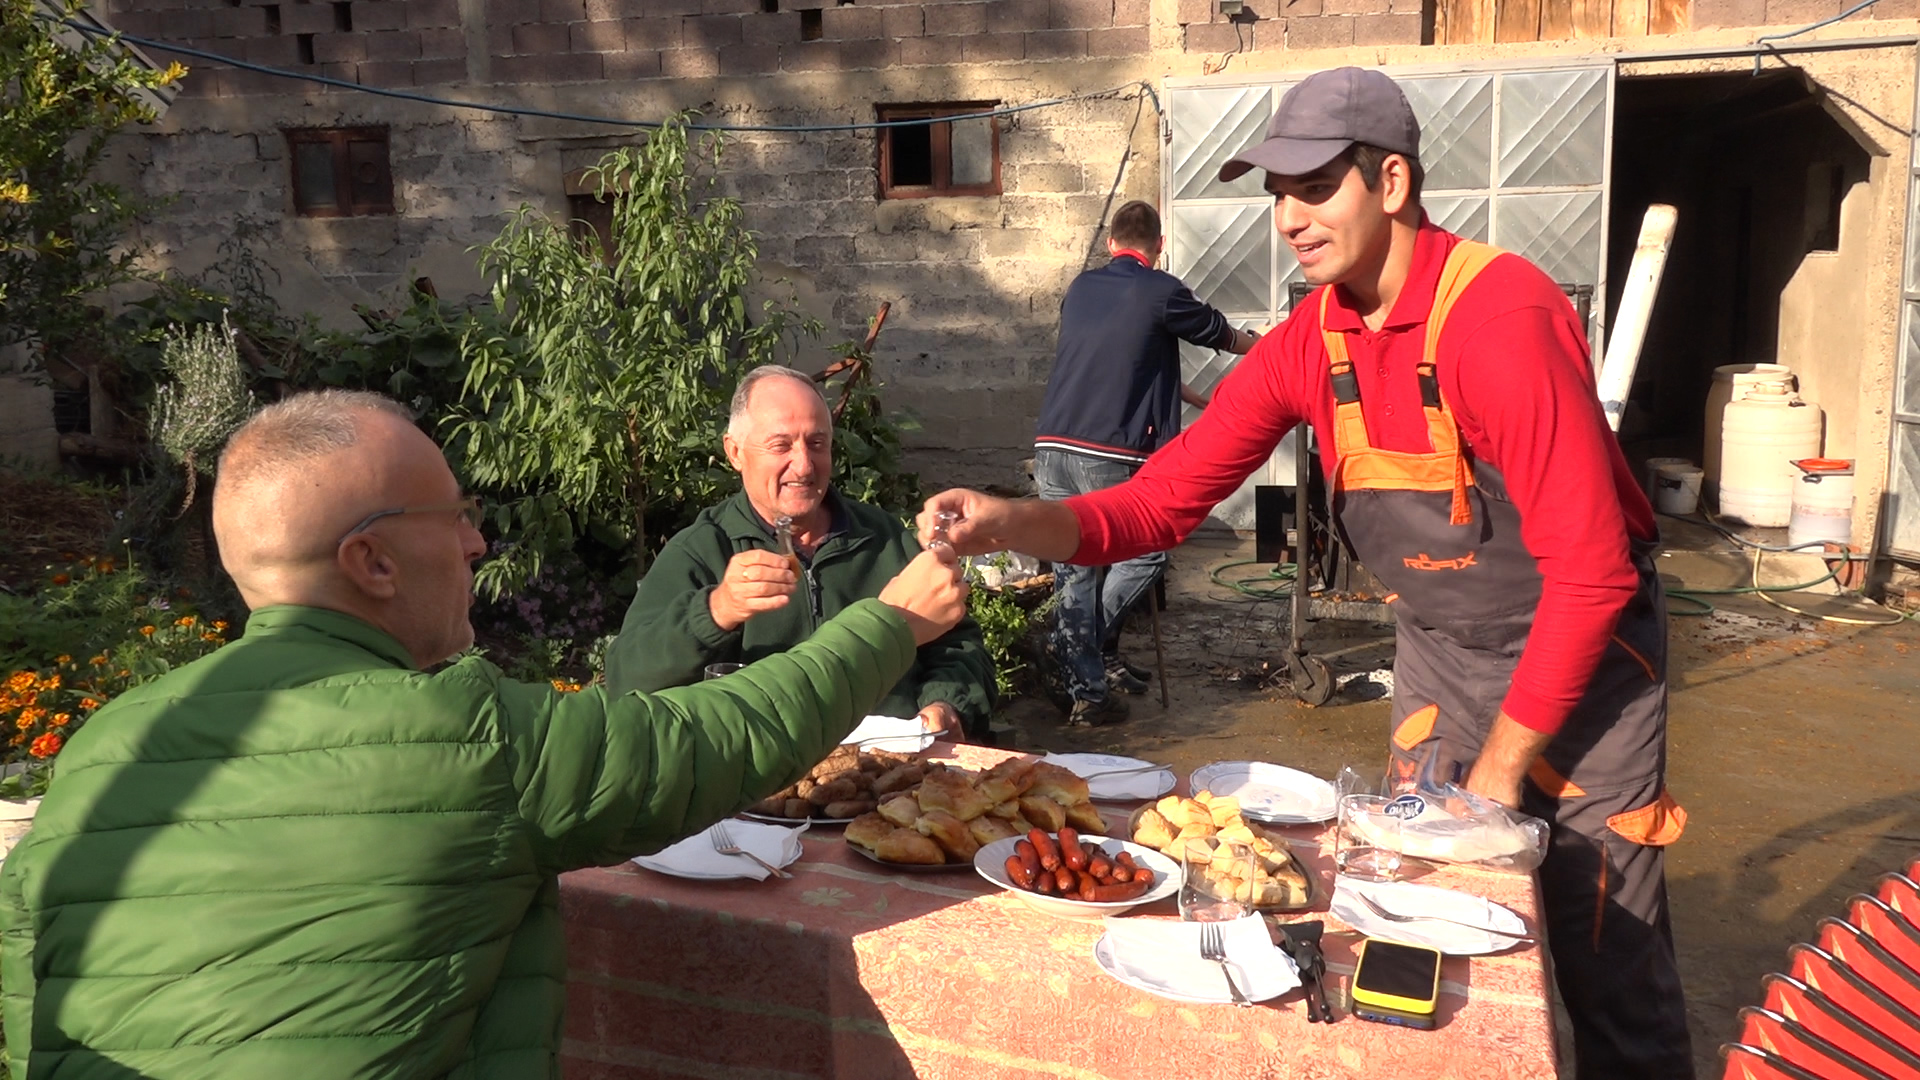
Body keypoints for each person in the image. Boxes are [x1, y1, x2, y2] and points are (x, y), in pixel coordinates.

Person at [918, 67, 1692, 1079]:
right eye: (1277, 192)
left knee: (1609, 961)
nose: (1289, 217)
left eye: (1316, 187)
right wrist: (1014, 519)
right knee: (1413, 929)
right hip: (1443, 665)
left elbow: (1591, 575)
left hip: (1590, 676)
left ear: (1395, 183)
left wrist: (1496, 787)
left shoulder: (1499, 318)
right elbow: (1158, 504)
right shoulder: (1305, 343)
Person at [0, 389, 967, 1078]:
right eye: (456, 517)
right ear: (371, 561)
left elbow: (24, 1012)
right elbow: (718, 738)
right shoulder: (471, 738)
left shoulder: (101, 748)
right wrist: (893, 625)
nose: (478, 543)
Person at [603, 366, 996, 741]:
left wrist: (946, 705)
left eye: (817, 443)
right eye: (781, 445)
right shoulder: (702, 550)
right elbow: (628, 678)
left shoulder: (883, 539)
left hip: (889, 774)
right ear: (735, 452)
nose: (804, 465)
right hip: (757, 780)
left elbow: (959, 646)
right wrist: (716, 611)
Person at [1033, 199, 1261, 726]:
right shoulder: (1162, 290)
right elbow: (1223, 335)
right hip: (1109, 452)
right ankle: (1079, 660)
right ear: (1158, 247)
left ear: (1111, 244)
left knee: (1075, 565)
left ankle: (1088, 671)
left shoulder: (1081, 289)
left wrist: (1198, 399)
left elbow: (1126, 362)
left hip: (1052, 448)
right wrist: (1271, 350)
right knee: (1147, 552)